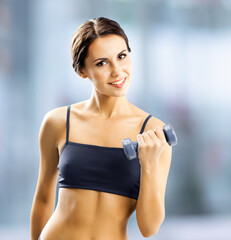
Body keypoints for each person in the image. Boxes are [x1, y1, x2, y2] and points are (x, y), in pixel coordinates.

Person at [30, 17, 172, 240]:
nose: (117, 71)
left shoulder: (153, 132)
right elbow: (43, 200)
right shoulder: (58, 122)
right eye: (101, 63)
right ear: (82, 71)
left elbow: (149, 228)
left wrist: (149, 164)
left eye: (122, 56)